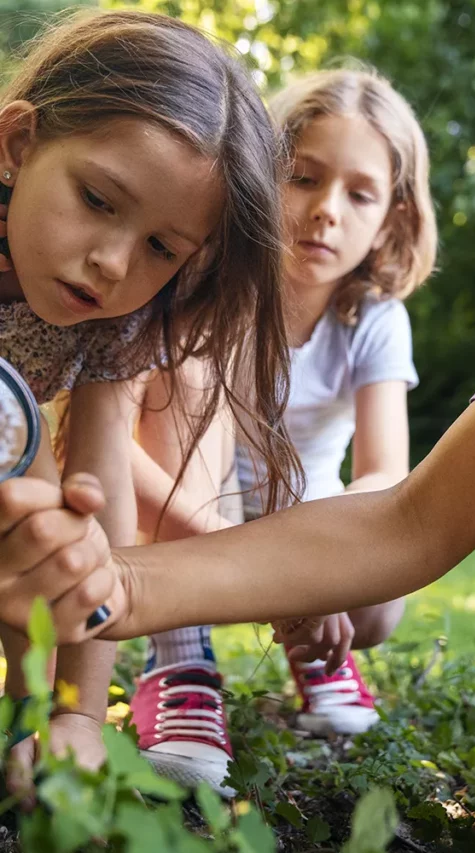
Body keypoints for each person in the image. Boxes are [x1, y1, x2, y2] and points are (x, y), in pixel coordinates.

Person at [2, 0, 475, 824]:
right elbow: (412, 519)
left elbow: (386, 486)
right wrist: (87, 636)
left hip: (275, 515)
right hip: (208, 520)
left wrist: (78, 706)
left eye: (162, 245)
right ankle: (178, 661)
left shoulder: (357, 320)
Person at [0, 8, 301, 804]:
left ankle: (28, 718)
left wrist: (78, 714)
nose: (112, 261)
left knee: (39, 496)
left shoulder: (115, 319)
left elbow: (94, 505)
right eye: (98, 200)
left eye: (161, 248)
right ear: (19, 143)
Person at [126, 68, 436, 795]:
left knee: (380, 603)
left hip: (301, 522)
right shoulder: (205, 284)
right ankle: (179, 659)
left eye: (359, 194)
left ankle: (317, 650)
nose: (326, 211)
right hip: (186, 516)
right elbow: (117, 451)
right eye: (304, 178)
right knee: (187, 381)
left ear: (392, 218)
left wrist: (314, 576)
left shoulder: (375, 320)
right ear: (262, 177)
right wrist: (261, 576)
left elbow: (385, 474)